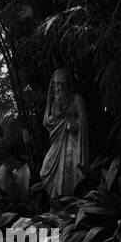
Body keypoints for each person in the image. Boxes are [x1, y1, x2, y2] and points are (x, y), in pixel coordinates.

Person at [40, 66, 88, 202]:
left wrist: (72, 125)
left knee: (69, 172)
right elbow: (48, 122)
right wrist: (56, 115)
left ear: (68, 84)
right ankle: (55, 203)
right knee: (45, 169)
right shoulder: (56, 101)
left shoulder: (77, 99)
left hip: (73, 143)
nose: (59, 88)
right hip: (58, 141)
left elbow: (83, 122)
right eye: (56, 84)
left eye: (62, 84)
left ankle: (69, 204)